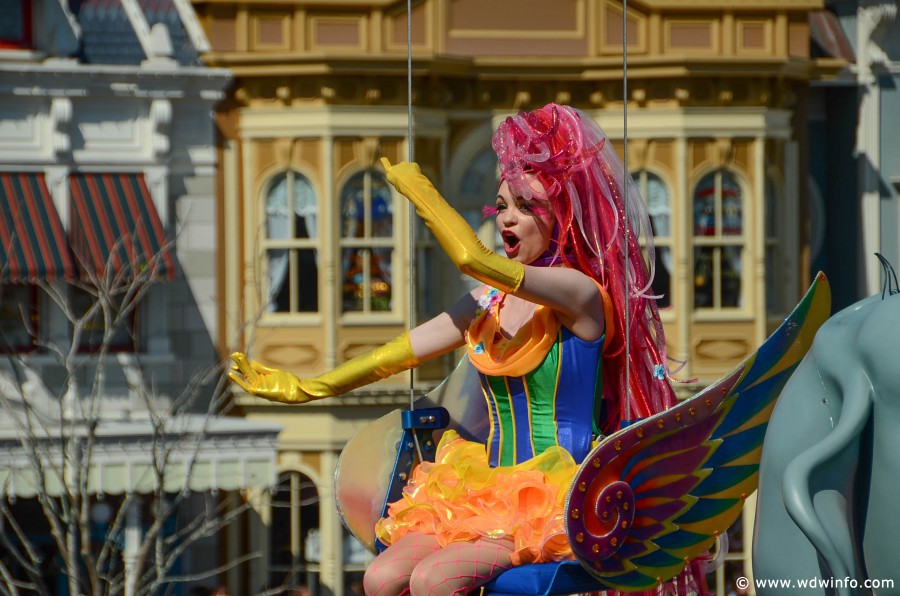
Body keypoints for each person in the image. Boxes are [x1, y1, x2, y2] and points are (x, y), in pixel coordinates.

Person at [230, 104, 676, 595]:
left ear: (562, 216)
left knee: (434, 581)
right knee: (380, 578)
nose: (508, 218)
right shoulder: (490, 302)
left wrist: (420, 192)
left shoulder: (580, 292)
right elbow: (403, 351)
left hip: (557, 493)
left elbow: (473, 258)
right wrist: (309, 386)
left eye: (527, 207)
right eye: (502, 204)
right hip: (484, 485)